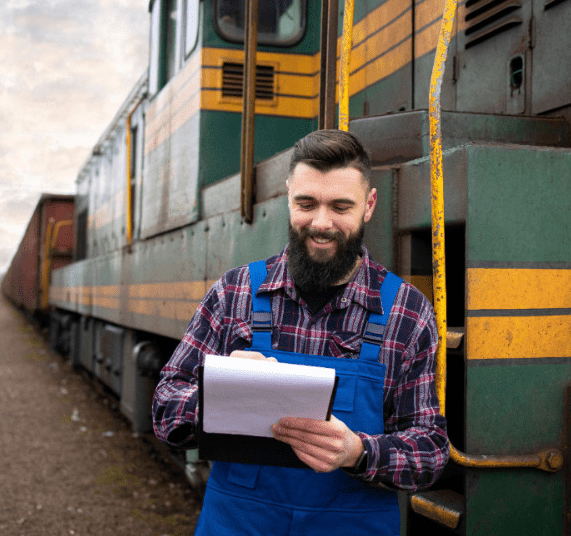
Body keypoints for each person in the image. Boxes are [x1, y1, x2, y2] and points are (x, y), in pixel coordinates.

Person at [152, 129, 449, 535]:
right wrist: (219, 395)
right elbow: (165, 410)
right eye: (306, 204)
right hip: (239, 524)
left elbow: (430, 452)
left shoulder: (407, 313)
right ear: (287, 196)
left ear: (369, 205)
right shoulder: (234, 293)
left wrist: (359, 451)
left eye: (341, 206)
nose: (321, 223)